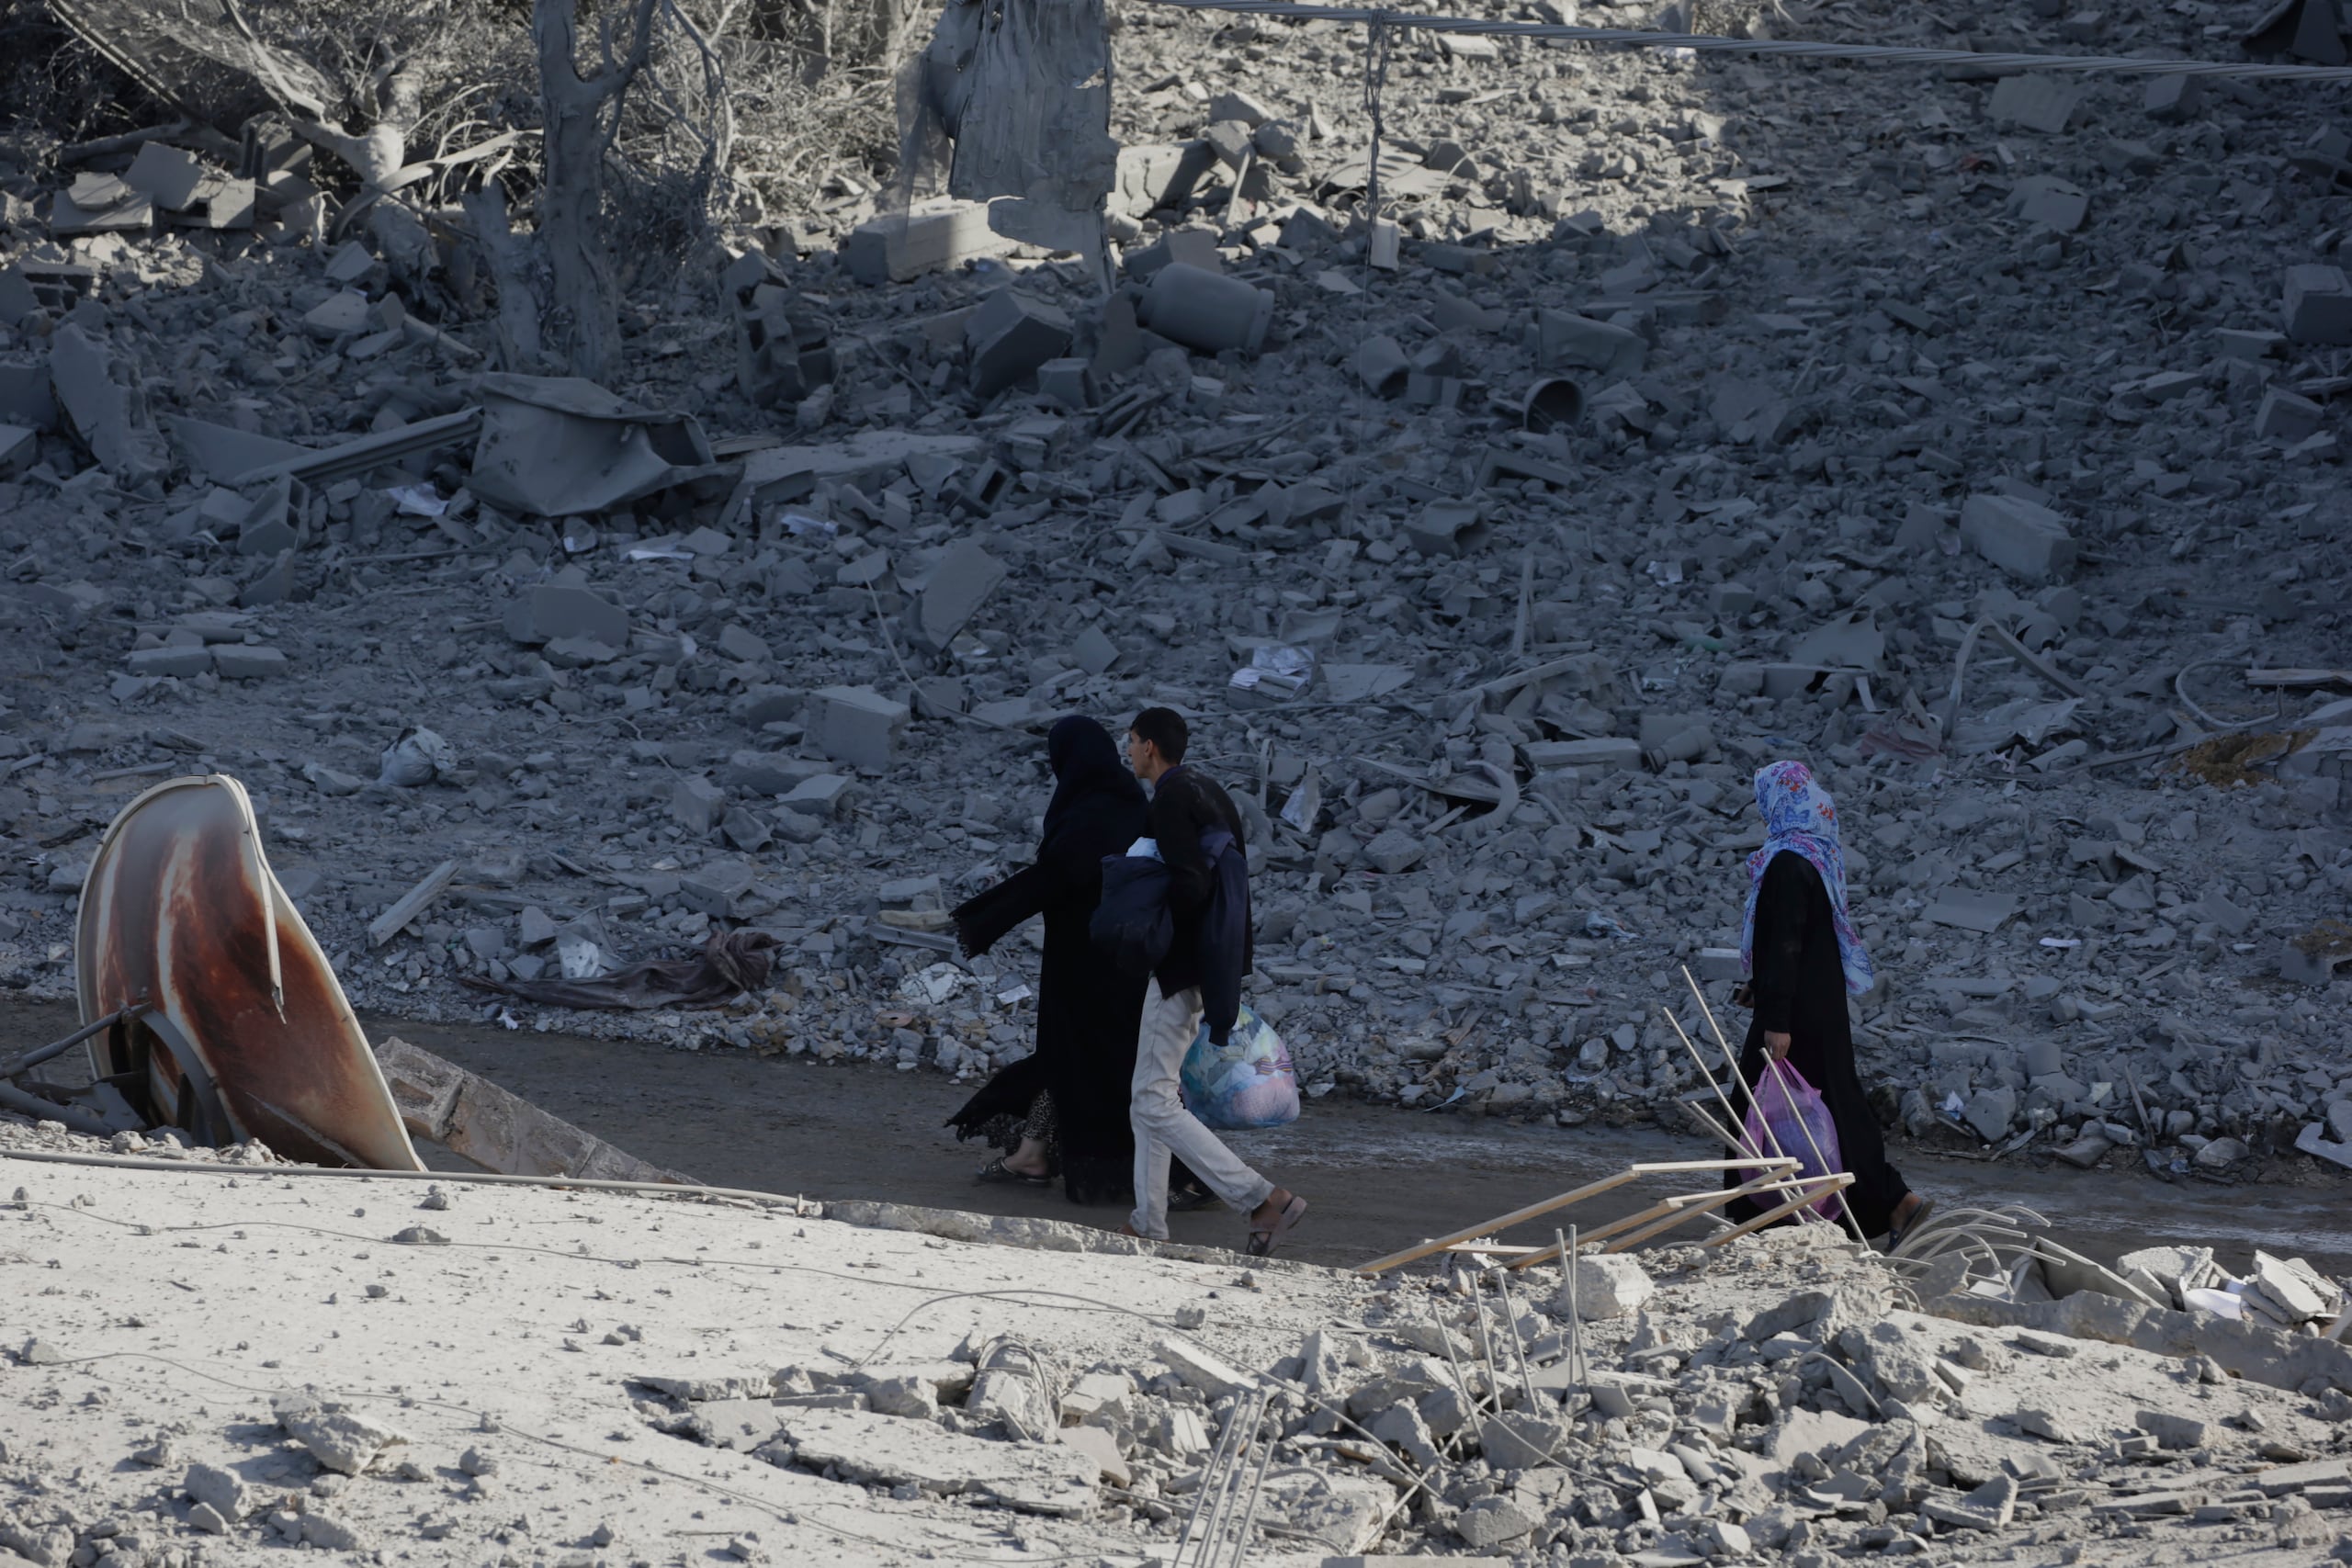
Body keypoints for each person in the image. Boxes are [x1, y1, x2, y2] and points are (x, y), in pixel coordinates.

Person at [1119, 706, 1307, 1255]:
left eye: (1131, 742)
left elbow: (1191, 883)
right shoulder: (1208, 791)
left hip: (1181, 967)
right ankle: (1148, 1222)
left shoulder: (1173, 798)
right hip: (1208, 964)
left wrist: (1145, 918)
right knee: (1147, 1097)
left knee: (1154, 1100)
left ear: (1150, 747)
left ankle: (1260, 1196)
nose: (1127, 752)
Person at [944, 717, 1150, 1204]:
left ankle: (1168, 1174)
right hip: (1120, 960)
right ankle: (1032, 1152)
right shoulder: (1125, 802)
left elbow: (1061, 874)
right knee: (1074, 1058)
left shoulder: (1090, 810)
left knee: (1091, 1061)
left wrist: (983, 917)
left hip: (1088, 964)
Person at [1725, 760, 1929, 1247]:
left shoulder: (1786, 863)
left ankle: (1759, 1225)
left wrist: (1776, 1017)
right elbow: (1806, 942)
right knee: (1835, 1106)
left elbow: (1788, 944)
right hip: (1822, 1007)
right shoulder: (1816, 856)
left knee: (1755, 1107)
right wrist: (1764, 986)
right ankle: (1893, 1201)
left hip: (1795, 1017)